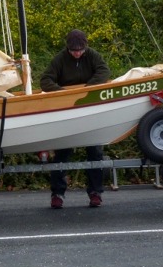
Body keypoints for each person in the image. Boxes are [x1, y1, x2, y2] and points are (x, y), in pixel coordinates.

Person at [39, 29, 112, 209]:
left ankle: (95, 193)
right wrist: (63, 93)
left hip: (90, 110)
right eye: (73, 50)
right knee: (62, 153)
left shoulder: (93, 55)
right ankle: (57, 194)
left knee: (95, 152)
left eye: (80, 50)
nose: (77, 53)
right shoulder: (60, 59)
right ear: (68, 48)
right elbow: (45, 80)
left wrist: (88, 89)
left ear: (85, 47)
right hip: (67, 113)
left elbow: (104, 71)